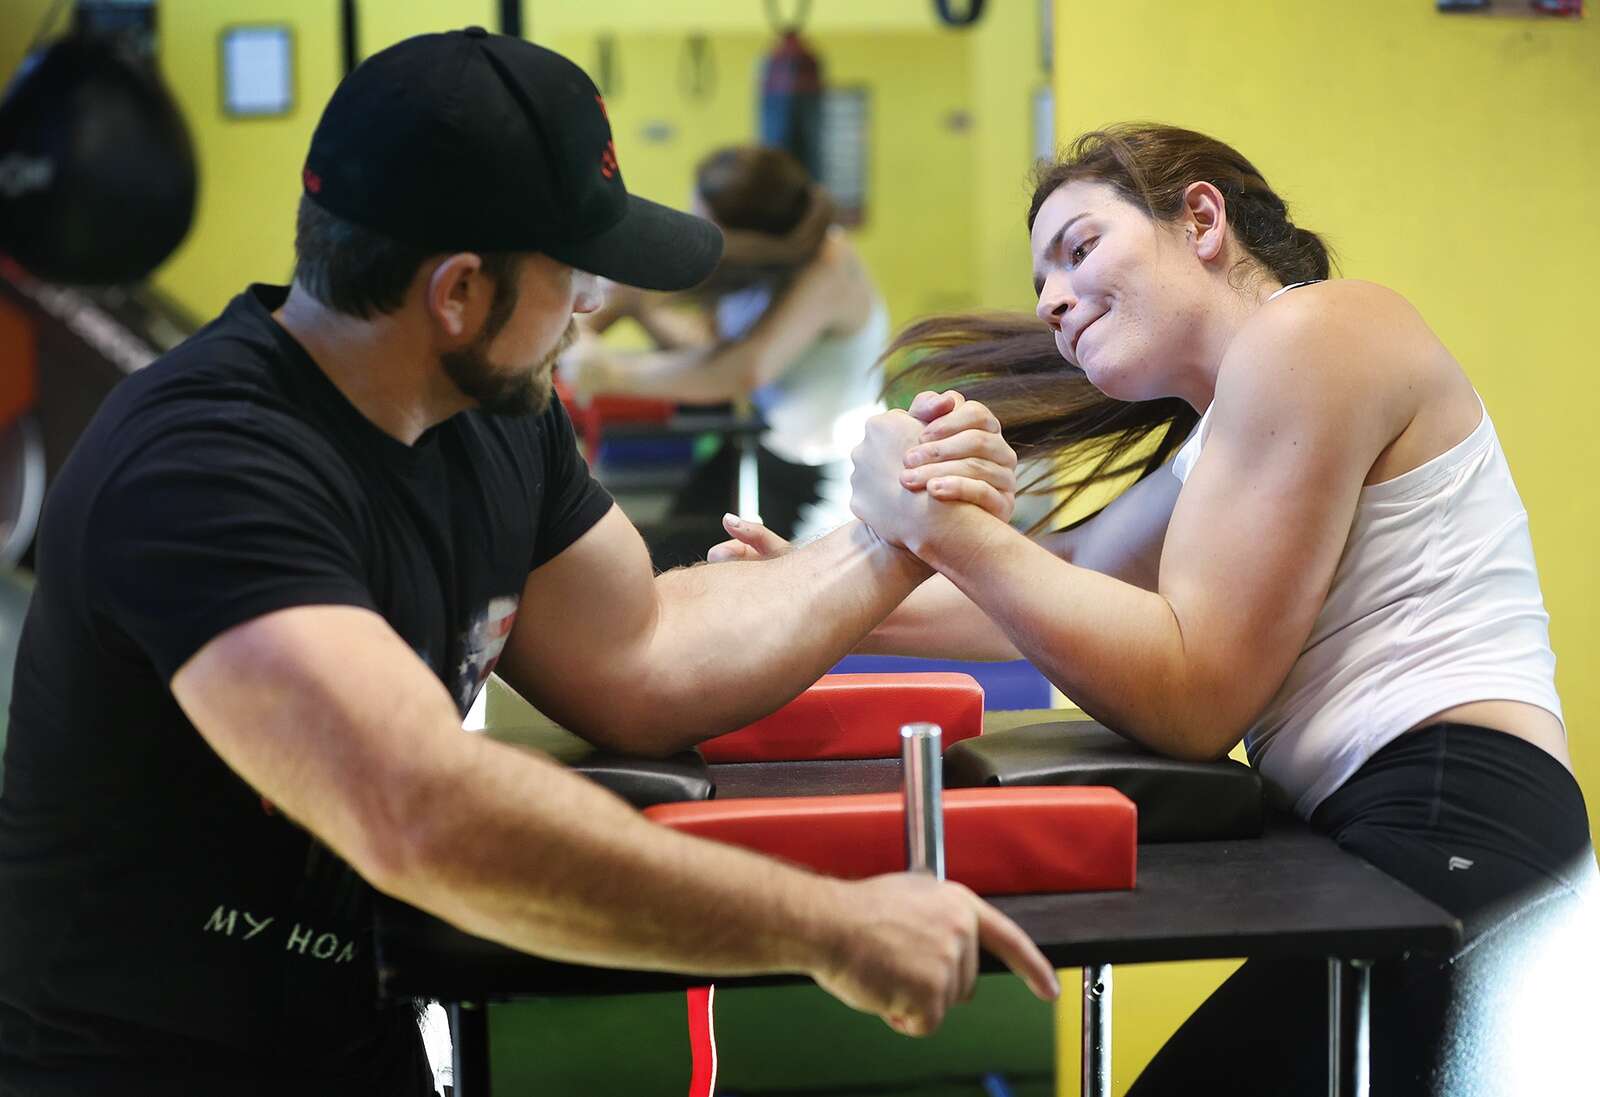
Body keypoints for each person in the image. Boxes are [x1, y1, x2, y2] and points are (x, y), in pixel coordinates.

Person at [0, 31, 1056, 1096]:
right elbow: (423, 809)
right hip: (132, 1064)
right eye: (574, 275)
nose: (594, 306)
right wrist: (831, 926)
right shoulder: (209, 466)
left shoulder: (495, 416)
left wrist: (896, 535)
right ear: (458, 293)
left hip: (350, 1039)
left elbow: (641, 650)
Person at [714, 123, 1596, 1095]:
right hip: (1399, 832)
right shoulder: (1217, 436)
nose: (1049, 300)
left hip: (1459, 828)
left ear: (1203, 218)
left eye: (1078, 248)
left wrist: (940, 525)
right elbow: (1069, 585)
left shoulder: (1321, 331)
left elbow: (1193, 697)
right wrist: (823, 589)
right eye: (1042, 279)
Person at [563, 145, 888, 566]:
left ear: (748, 239)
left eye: (709, 228)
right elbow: (709, 347)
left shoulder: (829, 266)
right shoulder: (764, 262)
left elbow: (743, 370)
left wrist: (610, 372)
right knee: (670, 563)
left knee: (773, 598)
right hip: (763, 444)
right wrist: (633, 305)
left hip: (826, 473)